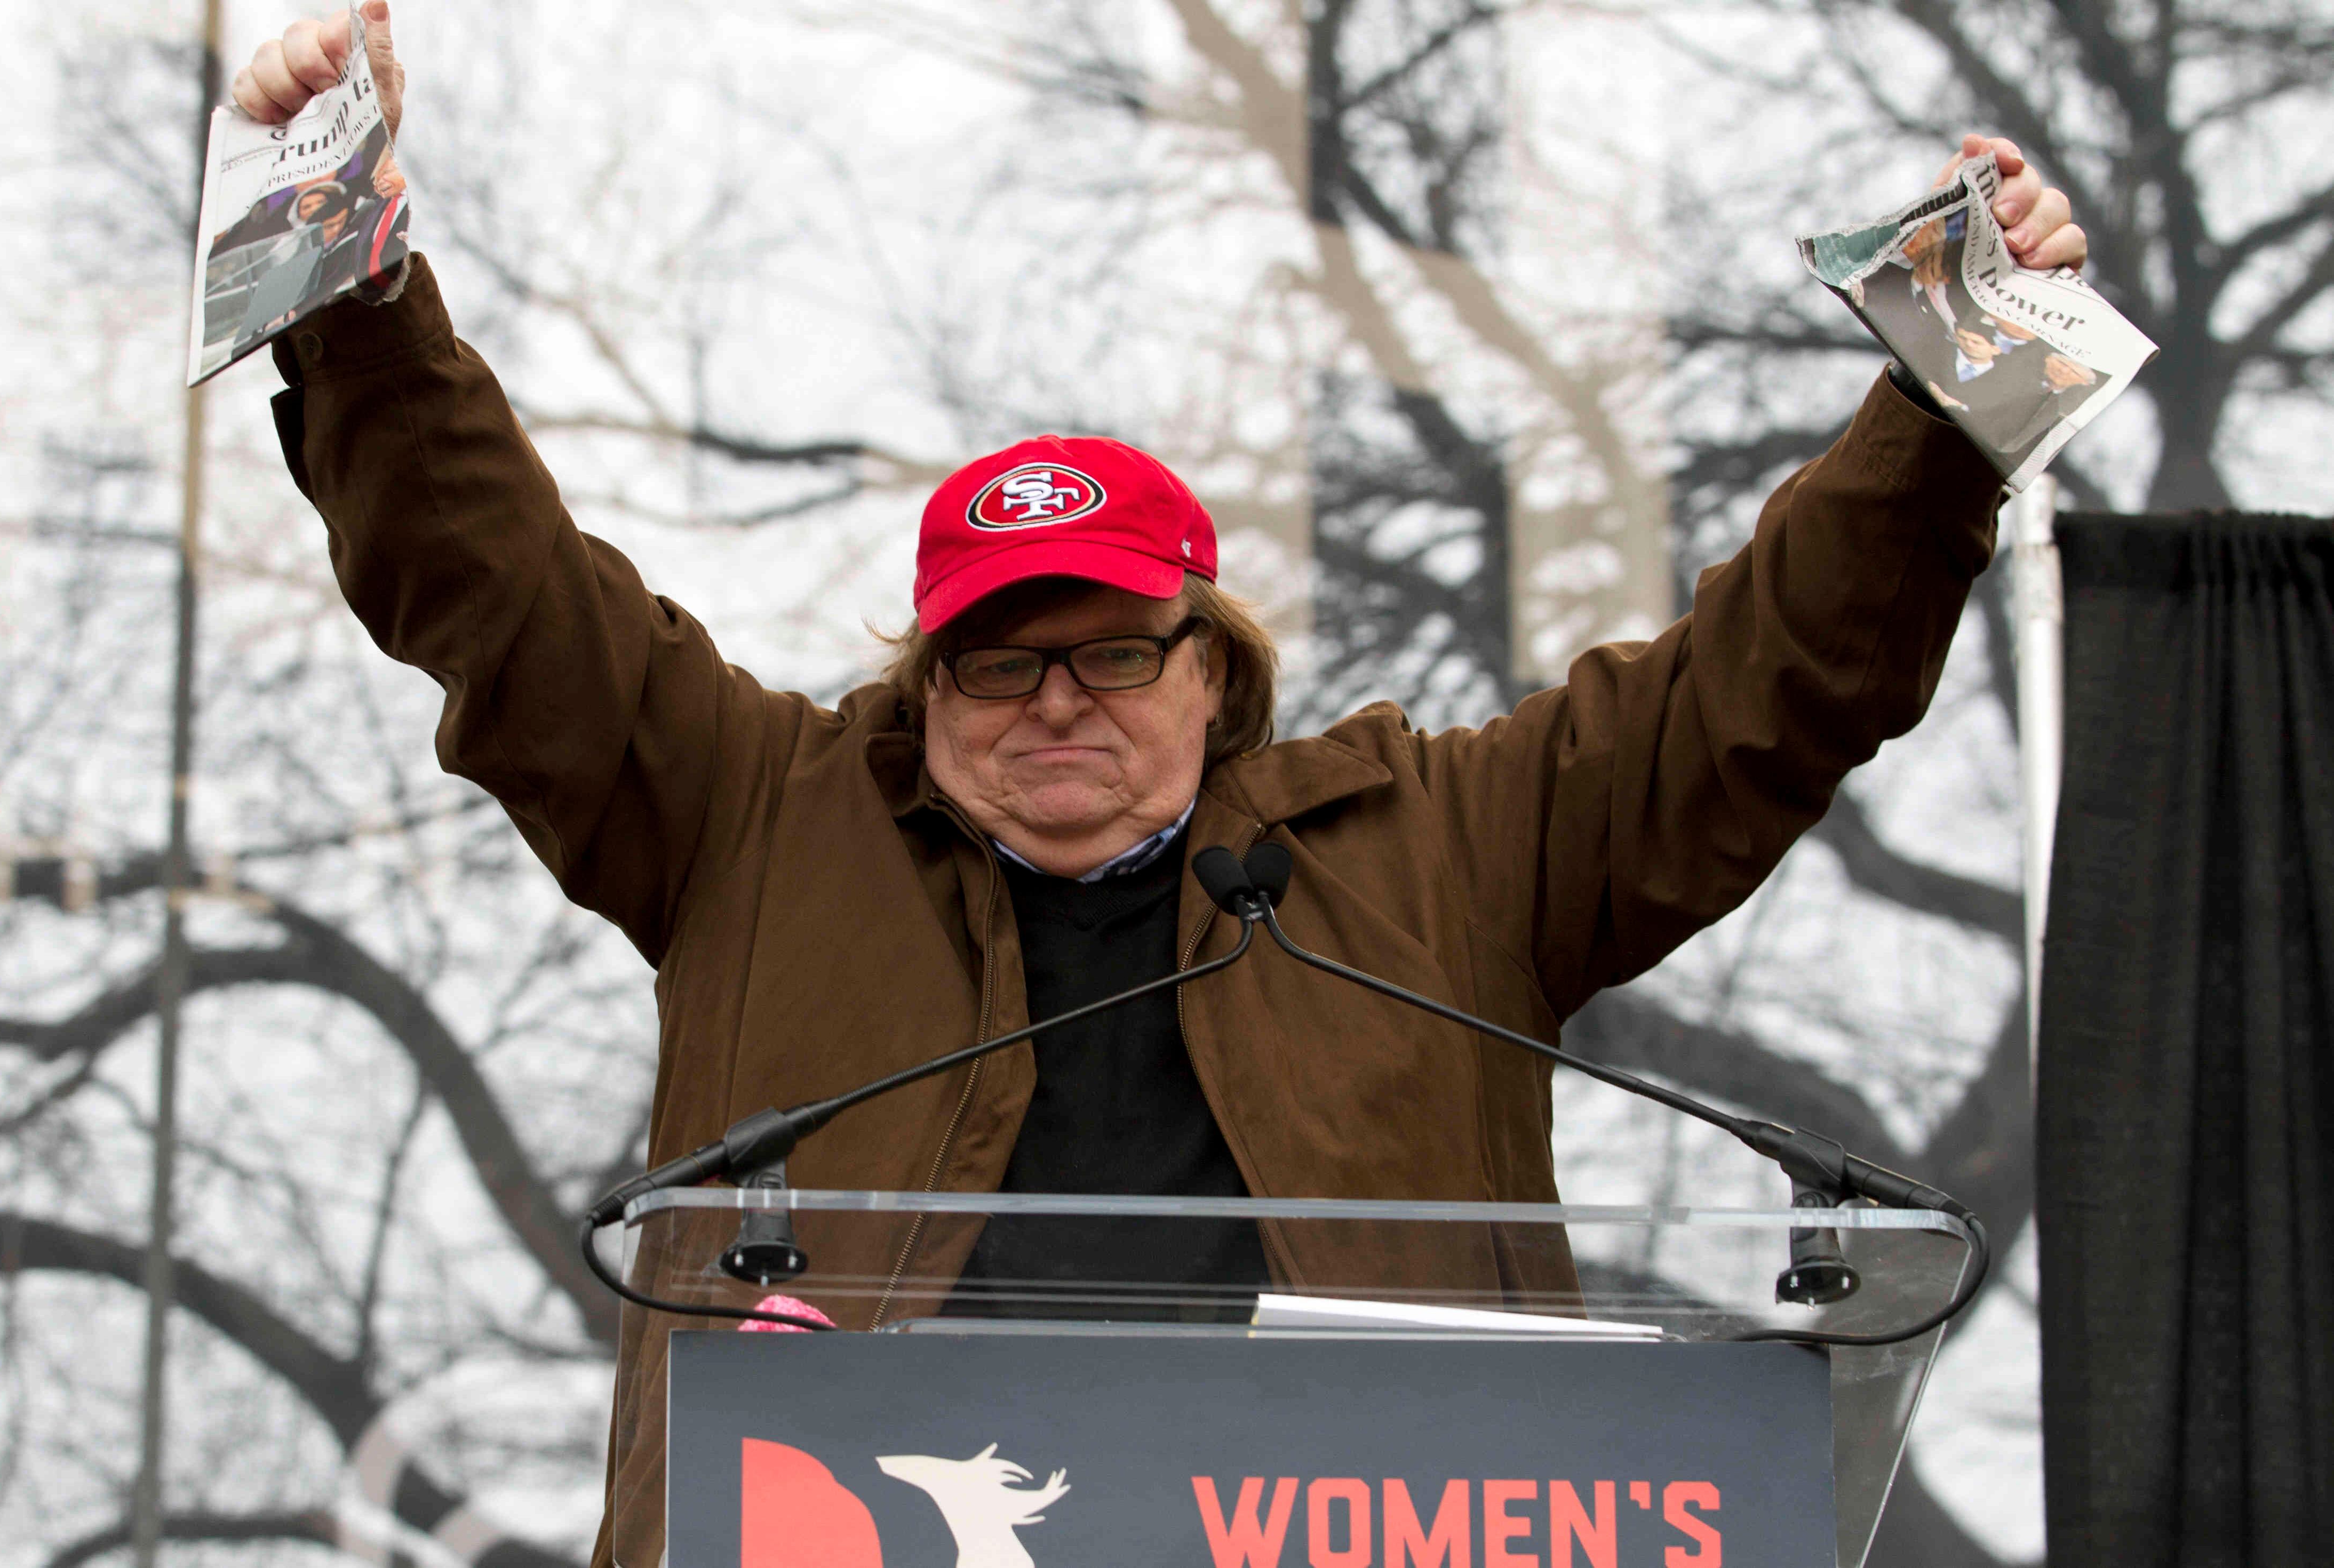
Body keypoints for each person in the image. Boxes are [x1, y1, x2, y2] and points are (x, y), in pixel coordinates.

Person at [239, 6, 2087, 1562]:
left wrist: (1944, 406)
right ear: (926, 673)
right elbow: (499, 592)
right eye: (994, 653)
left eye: (1114, 650)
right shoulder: (752, 823)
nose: (1056, 700)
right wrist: (350, 280)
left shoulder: (1449, 850)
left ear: (1211, 667)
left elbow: (1757, 692)